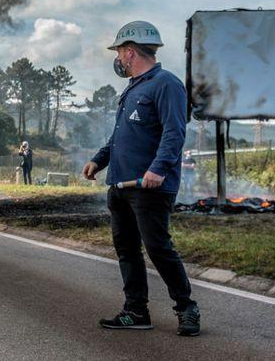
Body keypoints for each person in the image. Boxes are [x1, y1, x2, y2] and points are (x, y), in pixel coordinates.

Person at [82, 21, 200, 337]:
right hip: (120, 185)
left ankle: (186, 308)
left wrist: (158, 169)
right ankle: (136, 311)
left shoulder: (166, 84)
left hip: (149, 187)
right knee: (127, 250)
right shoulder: (132, 89)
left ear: (130, 51)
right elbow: (120, 136)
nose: (118, 59)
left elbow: (175, 132)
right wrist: (99, 159)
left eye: (120, 52)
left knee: (157, 247)